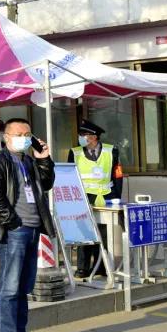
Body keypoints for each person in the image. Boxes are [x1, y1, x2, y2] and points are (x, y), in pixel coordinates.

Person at [0, 117, 55, 332]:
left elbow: (46, 183)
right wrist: (13, 223)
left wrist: (44, 159)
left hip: (32, 229)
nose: (24, 138)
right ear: (6, 137)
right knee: (10, 286)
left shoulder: (29, 161)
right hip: (13, 231)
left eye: (27, 134)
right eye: (19, 134)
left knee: (24, 286)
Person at [67, 119, 123, 278]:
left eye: (84, 135)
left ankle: (102, 267)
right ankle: (83, 268)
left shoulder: (112, 151)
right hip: (84, 198)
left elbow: (117, 176)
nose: (81, 137)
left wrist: (117, 197)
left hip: (106, 197)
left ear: (94, 137)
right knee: (85, 233)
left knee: (105, 234)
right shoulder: (75, 152)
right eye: (81, 134)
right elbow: (70, 177)